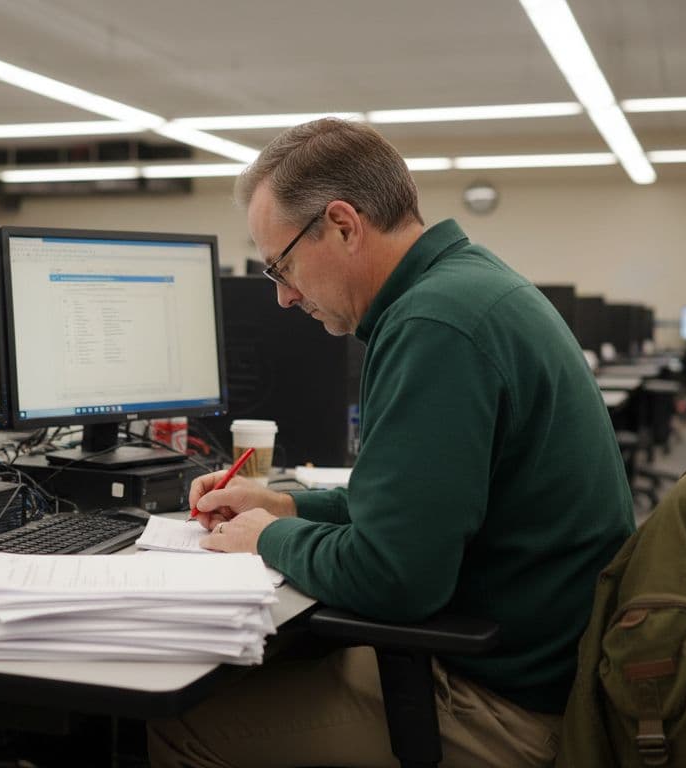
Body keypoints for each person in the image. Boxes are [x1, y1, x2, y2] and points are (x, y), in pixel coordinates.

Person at [147, 118, 635, 767]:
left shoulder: (435, 326)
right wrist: (284, 504)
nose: (285, 297)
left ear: (345, 225)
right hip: (533, 664)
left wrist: (264, 537)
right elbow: (415, 506)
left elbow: (395, 578)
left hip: (509, 709)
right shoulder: (466, 287)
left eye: (282, 265)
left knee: (172, 723)